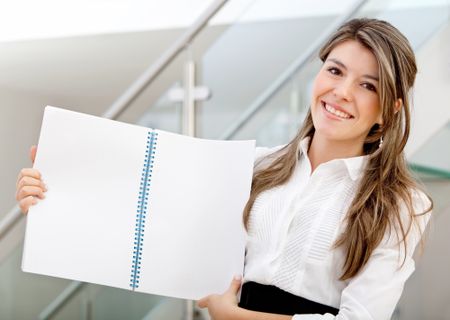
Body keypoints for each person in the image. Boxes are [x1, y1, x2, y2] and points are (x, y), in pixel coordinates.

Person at [16, 18, 432, 320]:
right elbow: (144, 213)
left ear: (388, 110)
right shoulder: (254, 165)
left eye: (368, 85)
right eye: (335, 70)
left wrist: (237, 318)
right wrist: (57, 191)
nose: (341, 92)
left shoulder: (402, 203)